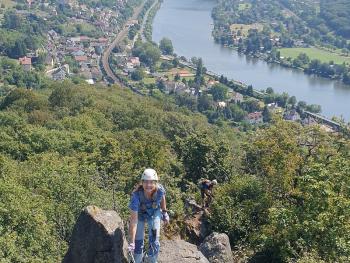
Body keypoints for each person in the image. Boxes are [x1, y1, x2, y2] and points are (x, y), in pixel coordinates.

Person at [128, 168, 170, 263]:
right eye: (146, 182)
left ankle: (151, 260)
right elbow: (134, 221)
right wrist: (132, 241)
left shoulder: (159, 190)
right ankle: (137, 260)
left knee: (154, 241)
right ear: (142, 183)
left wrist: (164, 211)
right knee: (137, 243)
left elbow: (162, 197)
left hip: (154, 213)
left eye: (151, 182)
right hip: (140, 215)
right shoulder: (136, 196)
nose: (148, 185)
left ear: (155, 183)